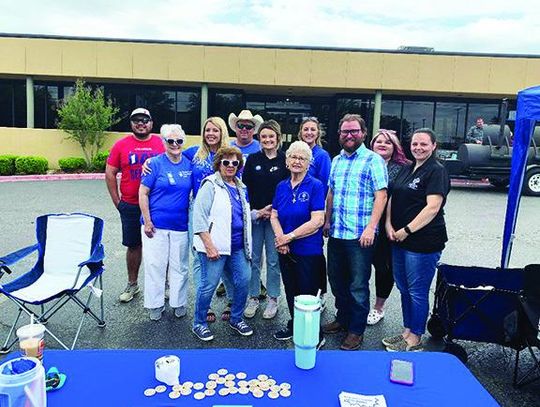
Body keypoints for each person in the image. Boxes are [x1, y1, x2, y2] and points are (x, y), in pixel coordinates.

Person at [322, 114, 388, 351]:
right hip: (337, 233)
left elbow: (381, 195)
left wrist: (371, 227)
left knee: (358, 285)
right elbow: (331, 192)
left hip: (361, 236)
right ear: (339, 134)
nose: (349, 135)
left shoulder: (373, 160)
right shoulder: (337, 160)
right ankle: (343, 319)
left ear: (363, 133)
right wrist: (327, 221)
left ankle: (356, 330)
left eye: (354, 131)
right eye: (345, 132)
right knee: (337, 281)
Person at [384, 128, 450, 352]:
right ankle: (407, 331)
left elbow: (432, 208)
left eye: (423, 144)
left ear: (433, 146)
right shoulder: (407, 168)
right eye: (415, 144)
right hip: (399, 239)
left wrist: (407, 230)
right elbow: (393, 196)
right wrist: (389, 225)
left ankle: (416, 338)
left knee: (417, 290)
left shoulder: (436, 171)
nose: (418, 148)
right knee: (403, 288)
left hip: (422, 242)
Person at [192, 146, 253, 341]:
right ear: (218, 164)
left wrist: (259, 214)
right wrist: (209, 245)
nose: (230, 166)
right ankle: (199, 323)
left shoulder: (242, 187)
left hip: (237, 246)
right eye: (226, 162)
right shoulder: (209, 184)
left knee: (244, 280)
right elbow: (199, 217)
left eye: (235, 163)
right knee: (208, 286)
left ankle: (236, 318)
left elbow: (239, 215)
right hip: (215, 246)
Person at [105, 108, 165, 303]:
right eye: (136, 120)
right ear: (131, 123)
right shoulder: (121, 145)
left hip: (156, 205)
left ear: (151, 122)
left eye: (145, 120)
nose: (141, 123)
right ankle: (133, 284)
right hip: (130, 204)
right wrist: (118, 202)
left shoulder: (161, 143)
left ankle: (163, 285)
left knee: (160, 245)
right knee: (133, 245)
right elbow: (110, 173)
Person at [270, 141, 326, 347]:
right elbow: (274, 215)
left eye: (302, 158)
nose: (297, 161)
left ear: (308, 163)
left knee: (308, 295)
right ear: (287, 161)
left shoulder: (316, 186)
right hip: (285, 248)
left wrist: (290, 237)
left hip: (308, 251)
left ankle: (314, 334)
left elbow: (317, 220)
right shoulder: (281, 186)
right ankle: (295, 326)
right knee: (291, 290)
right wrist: (280, 238)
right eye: (293, 157)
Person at [139, 124, 192, 320]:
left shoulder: (189, 163)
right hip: (156, 225)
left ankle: (178, 302)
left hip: (181, 225)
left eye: (179, 141)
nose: (175, 144)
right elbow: (143, 193)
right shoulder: (154, 164)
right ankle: (155, 305)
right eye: (170, 141)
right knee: (155, 265)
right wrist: (147, 221)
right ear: (164, 142)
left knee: (180, 266)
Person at [184, 117, 231, 323]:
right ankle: (206, 302)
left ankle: (231, 300)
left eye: (215, 130)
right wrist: (150, 161)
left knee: (227, 253)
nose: (211, 134)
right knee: (199, 254)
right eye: (207, 130)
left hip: (225, 209)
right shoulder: (194, 153)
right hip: (199, 208)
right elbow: (169, 156)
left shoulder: (230, 154)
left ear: (222, 133)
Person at [242, 120, 288, 319]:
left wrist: (273, 211)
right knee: (253, 259)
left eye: (271, 136)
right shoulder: (252, 159)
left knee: (273, 260)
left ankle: (272, 298)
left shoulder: (285, 160)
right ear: (259, 139)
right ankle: (253, 297)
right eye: (264, 137)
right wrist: (256, 211)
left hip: (275, 219)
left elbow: (288, 188)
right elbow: (245, 188)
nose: (267, 140)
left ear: (278, 138)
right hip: (255, 217)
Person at [366, 129, 411, 325]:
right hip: (363, 223)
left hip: (388, 225)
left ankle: (378, 307)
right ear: (372, 145)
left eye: (388, 142)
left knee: (384, 268)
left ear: (395, 147)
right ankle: (357, 305)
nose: (383, 145)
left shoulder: (404, 168)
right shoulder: (364, 163)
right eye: (379, 141)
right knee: (359, 267)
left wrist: (390, 224)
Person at [296, 116, 331, 308]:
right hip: (297, 211)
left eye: (313, 129)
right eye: (306, 129)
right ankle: (302, 290)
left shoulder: (322, 155)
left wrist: (323, 217)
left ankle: (320, 292)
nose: (309, 132)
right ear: (300, 132)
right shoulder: (295, 152)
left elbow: (325, 186)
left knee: (315, 252)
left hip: (313, 211)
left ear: (318, 133)